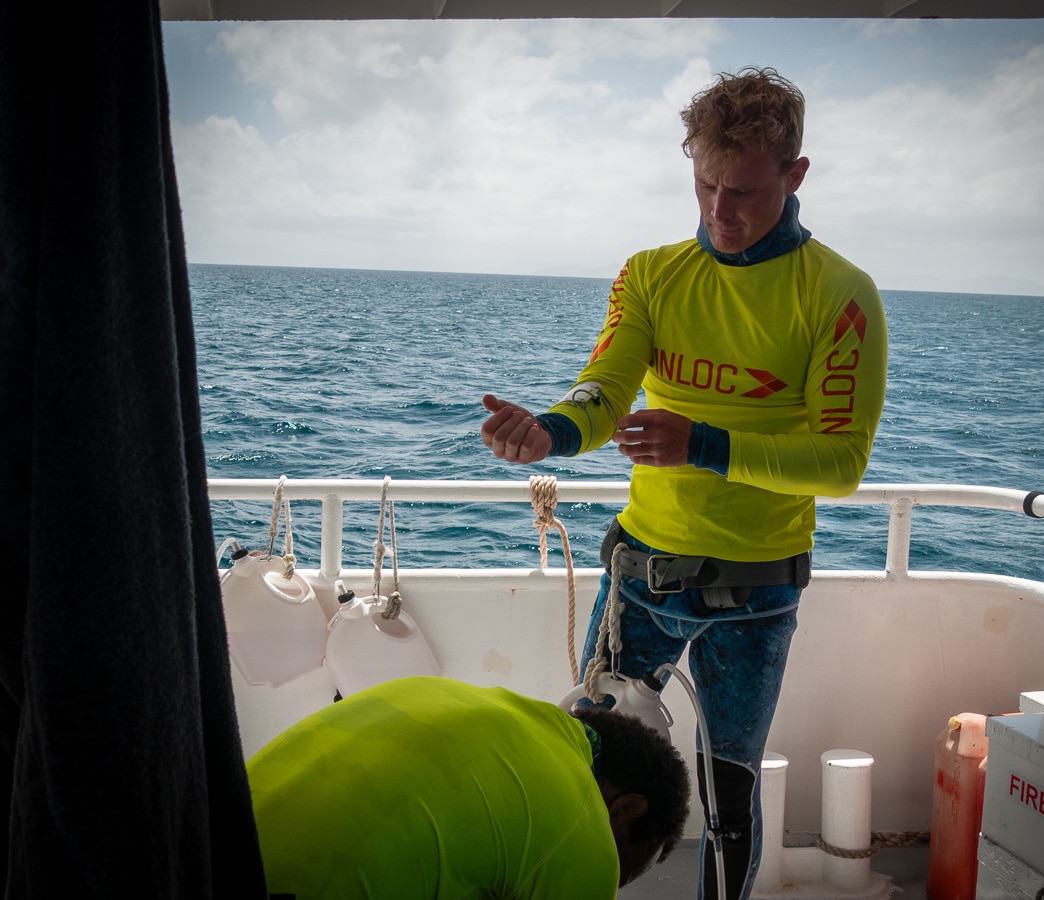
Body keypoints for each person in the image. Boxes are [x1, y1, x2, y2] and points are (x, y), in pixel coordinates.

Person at [480, 66, 888, 899]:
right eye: (704, 184)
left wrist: (702, 443)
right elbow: (605, 388)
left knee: (727, 794)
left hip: (759, 589)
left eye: (741, 191)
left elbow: (841, 462)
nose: (718, 211)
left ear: (795, 175)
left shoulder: (841, 296)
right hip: (641, 576)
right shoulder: (651, 273)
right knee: (587, 765)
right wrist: (549, 432)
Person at [246, 675, 690, 898]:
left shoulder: (461, 698)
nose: (609, 882)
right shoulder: (583, 831)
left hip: (198, 851)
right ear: (625, 809)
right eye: (619, 871)